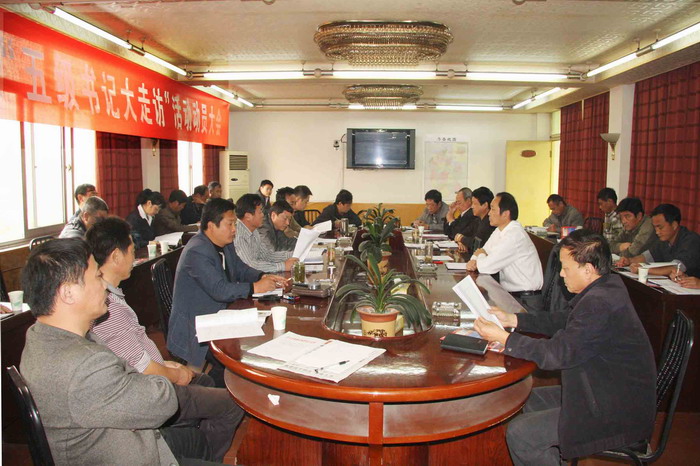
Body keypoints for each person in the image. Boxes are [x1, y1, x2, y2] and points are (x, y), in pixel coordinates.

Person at [19, 239, 221, 465]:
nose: (104, 286)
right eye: (97, 277)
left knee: (197, 440)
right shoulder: (84, 364)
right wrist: (145, 377)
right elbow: (162, 402)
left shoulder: (39, 336)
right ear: (68, 293)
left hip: (117, 437)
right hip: (127, 452)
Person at [474, 230, 656, 465]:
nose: (561, 274)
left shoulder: (599, 303)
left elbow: (556, 355)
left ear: (588, 270)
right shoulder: (606, 285)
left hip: (615, 411)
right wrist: (515, 319)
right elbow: (562, 320)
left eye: (566, 268)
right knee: (525, 399)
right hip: (601, 390)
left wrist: (505, 339)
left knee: (521, 435)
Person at [87, 218, 243, 462]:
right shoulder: (108, 308)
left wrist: (166, 365)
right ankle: (205, 456)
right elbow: (143, 369)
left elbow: (135, 354)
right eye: (131, 250)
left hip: (154, 375)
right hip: (150, 389)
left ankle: (189, 440)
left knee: (204, 380)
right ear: (116, 256)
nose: (134, 257)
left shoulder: (112, 296)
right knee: (231, 403)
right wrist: (175, 374)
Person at [168, 198, 286, 385]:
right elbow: (219, 290)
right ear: (211, 226)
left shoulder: (225, 244)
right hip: (196, 324)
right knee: (241, 355)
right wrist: (255, 287)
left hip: (220, 314)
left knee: (257, 337)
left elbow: (240, 269)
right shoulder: (197, 251)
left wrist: (263, 276)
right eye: (230, 224)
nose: (234, 230)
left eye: (235, 225)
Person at [466, 192, 543, 307]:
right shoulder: (500, 230)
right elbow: (483, 249)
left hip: (526, 300)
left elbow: (487, 267)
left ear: (505, 214)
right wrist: (474, 259)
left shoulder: (514, 235)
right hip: (512, 295)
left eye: (493, 209)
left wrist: (479, 257)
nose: (489, 213)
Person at [620, 203, 700, 278]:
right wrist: (629, 260)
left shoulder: (691, 241)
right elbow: (647, 256)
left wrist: (643, 270)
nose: (657, 232)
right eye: (655, 227)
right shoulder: (663, 239)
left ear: (674, 225)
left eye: (660, 227)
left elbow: (676, 267)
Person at [234, 194, 298, 273]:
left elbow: (267, 255)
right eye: (260, 211)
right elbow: (250, 265)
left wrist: (294, 255)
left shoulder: (254, 231)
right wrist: (283, 266)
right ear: (248, 216)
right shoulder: (238, 235)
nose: (263, 215)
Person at [456, 187, 496, 254]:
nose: (472, 207)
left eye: (474, 204)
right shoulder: (477, 220)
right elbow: (460, 234)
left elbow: (477, 244)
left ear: (485, 205)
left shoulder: (490, 223)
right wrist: (460, 242)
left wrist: (461, 239)